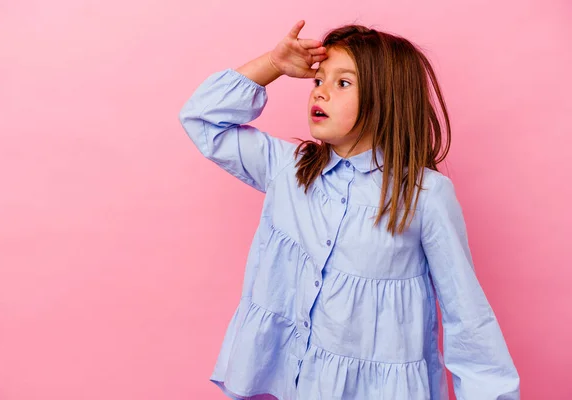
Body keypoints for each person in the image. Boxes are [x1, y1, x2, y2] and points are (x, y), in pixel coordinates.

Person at [178, 19, 520, 400]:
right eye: (318, 80)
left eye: (342, 83)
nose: (320, 93)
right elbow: (202, 119)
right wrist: (273, 64)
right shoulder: (288, 169)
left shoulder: (424, 195)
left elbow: (467, 317)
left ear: (384, 98)